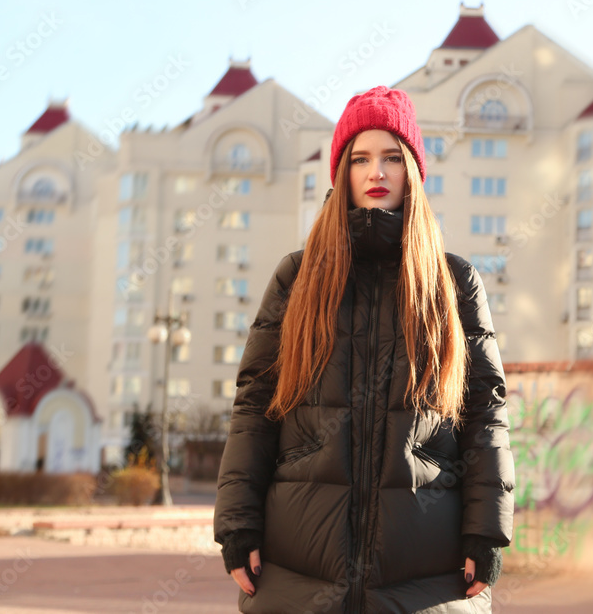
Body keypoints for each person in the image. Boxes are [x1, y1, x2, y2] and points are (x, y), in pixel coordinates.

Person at [213, 85, 515, 613]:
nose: (377, 172)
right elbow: (254, 406)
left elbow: (485, 415)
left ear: (412, 173)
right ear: (342, 173)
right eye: (361, 159)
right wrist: (238, 524)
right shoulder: (297, 278)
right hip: (299, 567)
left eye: (392, 158)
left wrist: (485, 533)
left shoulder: (454, 282)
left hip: (424, 570)